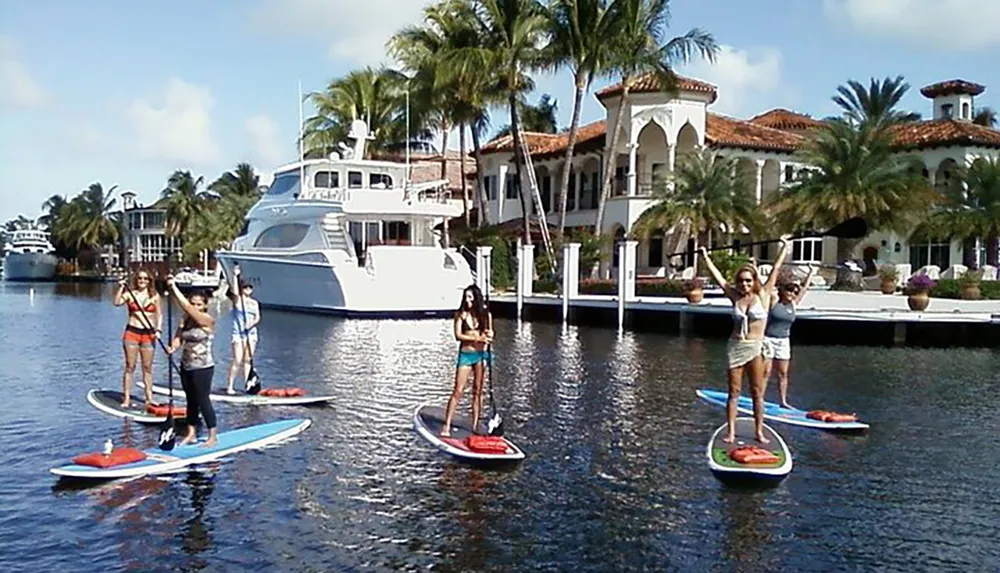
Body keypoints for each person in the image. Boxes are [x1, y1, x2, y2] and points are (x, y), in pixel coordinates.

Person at [700, 237, 790, 444]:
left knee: (757, 392)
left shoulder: (764, 295)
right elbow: (719, 278)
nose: (744, 284)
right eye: (741, 281)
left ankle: (759, 431)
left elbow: (776, 268)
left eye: (748, 280)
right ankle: (731, 432)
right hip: (735, 347)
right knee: (733, 392)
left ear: (754, 281)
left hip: (756, 348)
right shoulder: (735, 296)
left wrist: (784, 248)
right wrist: (706, 257)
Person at [165, 277, 218, 447]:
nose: (195, 307)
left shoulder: (207, 320)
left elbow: (186, 307)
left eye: (199, 304)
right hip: (186, 365)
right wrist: (172, 348)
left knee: (203, 400)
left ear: (204, 306)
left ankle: (212, 436)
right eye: (193, 303)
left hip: (203, 367)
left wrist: (173, 287)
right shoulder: (185, 320)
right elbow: (178, 338)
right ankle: (191, 434)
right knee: (191, 400)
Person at [440, 284, 494, 437]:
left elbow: (490, 334)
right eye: (465, 297)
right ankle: (446, 425)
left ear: (476, 298)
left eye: (470, 297)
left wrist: (489, 335)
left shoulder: (485, 316)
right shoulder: (461, 315)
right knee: (458, 390)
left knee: (477, 392)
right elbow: (458, 336)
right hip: (466, 355)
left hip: (481, 355)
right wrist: (476, 337)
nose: (467, 300)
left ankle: (475, 424)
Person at [762, 265, 817, 409]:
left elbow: (804, 289)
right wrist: (755, 266)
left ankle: (783, 401)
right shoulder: (774, 300)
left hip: (784, 341)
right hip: (768, 339)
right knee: (766, 372)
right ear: (782, 289)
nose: (792, 293)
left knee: (783, 373)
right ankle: (759, 398)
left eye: (794, 291)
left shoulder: (793, 303)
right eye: (789, 289)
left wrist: (810, 273)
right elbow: (768, 284)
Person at [112, 269, 162, 408]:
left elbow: (159, 315)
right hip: (132, 333)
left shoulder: (155, 296)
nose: (142, 281)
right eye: (140, 278)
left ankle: (149, 398)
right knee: (130, 366)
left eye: (145, 279)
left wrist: (158, 329)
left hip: (148, 334)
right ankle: (126, 398)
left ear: (149, 281)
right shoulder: (130, 294)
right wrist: (121, 287)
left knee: (147, 367)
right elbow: (116, 303)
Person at [225, 265, 260, 395]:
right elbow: (234, 291)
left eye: (250, 287)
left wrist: (251, 324)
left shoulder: (254, 303)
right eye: (245, 287)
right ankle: (230, 386)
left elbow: (257, 317)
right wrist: (235, 275)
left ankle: (248, 385)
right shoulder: (238, 301)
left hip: (251, 334)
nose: (248, 289)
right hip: (238, 334)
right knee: (237, 359)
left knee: (247, 360)